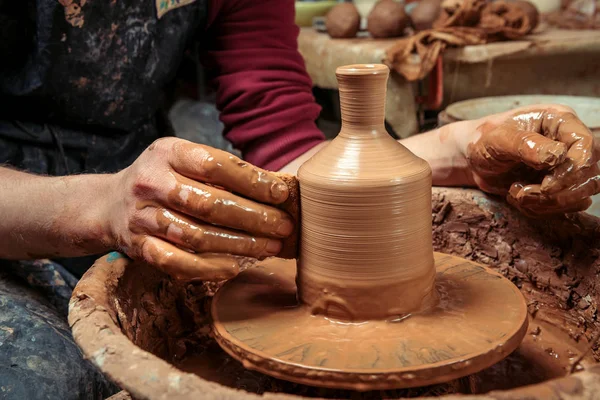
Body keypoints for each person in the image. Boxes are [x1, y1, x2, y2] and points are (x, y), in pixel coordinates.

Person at [1, 0, 598, 398]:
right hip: (19, 208)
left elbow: (281, 139)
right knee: (50, 383)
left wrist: (455, 149)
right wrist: (96, 205)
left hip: (145, 184)